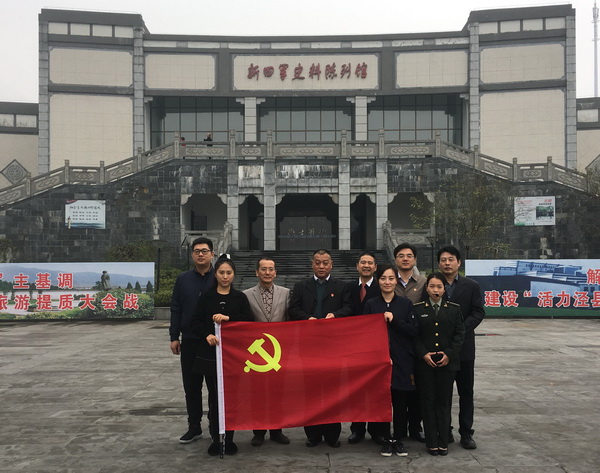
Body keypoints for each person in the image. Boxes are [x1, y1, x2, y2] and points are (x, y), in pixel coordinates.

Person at [289, 249, 353, 448]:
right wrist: (307, 318)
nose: (321, 266)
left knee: (334, 390)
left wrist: (335, 315)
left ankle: (333, 434)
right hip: (308, 346)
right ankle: (313, 434)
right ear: (312, 264)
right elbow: (293, 309)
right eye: (318, 262)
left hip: (333, 347)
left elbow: (349, 308)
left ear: (331, 264)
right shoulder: (301, 286)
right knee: (311, 391)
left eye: (325, 263)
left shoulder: (341, 286)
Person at [192, 257, 253, 456]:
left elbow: (248, 321)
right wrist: (207, 334)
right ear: (216, 274)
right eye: (221, 273)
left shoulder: (240, 298)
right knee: (215, 397)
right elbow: (196, 321)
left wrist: (229, 319)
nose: (225, 276)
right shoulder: (206, 297)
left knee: (231, 397)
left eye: (229, 273)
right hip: (211, 355)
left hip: (234, 357)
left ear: (233, 275)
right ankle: (216, 438)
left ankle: (229, 438)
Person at [364, 264, 418, 457]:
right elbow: (365, 333)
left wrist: (395, 320)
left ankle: (399, 439)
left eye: (391, 278)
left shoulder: (405, 304)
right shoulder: (371, 304)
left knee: (400, 402)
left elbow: (413, 330)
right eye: (383, 278)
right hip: (379, 361)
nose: (387, 282)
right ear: (378, 281)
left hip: (402, 359)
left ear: (396, 281)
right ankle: (385, 438)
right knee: (382, 401)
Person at [438, 245, 485, 449]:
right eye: (443, 260)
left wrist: (460, 329)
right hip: (441, 348)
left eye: (451, 259)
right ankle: (445, 430)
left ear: (459, 262)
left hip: (464, 348)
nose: (447, 263)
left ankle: (466, 432)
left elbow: (478, 312)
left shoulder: (471, 285)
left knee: (466, 392)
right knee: (443, 393)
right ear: (439, 263)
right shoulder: (434, 284)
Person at [169, 237, 215, 444]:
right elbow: (176, 308)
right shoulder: (183, 279)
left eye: (204, 251)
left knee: (214, 387)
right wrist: (174, 336)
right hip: (189, 340)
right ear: (192, 255)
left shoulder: (220, 277)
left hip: (213, 342)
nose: (201, 254)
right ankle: (194, 426)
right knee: (192, 386)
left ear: (212, 254)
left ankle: (215, 425)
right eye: (197, 251)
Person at [413, 272, 465, 456]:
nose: (435, 290)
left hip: (446, 364)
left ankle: (443, 441)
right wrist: (423, 354)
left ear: (444, 289)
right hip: (425, 363)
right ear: (426, 288)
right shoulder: (418, 309)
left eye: (439, 287)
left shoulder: (454, 309)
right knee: (427, 401)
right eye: (432, 286)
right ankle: (431, 442)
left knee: (444, 401)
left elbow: (459, 334)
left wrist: (449, 354)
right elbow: (414, 336)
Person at [243, 257, 291, 447]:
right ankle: (259, 431)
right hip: (257, 353)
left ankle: (277, 430)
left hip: (279, 352)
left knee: (278, 393)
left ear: (275, 273)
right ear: (257, 272)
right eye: (263, 269)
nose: (267, 272)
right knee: (258, 393)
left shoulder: (286, 293)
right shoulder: (246, 295)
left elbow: (289, 320)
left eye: (271, 269)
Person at [346, 251, 385, 445]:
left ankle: (377, 430)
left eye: (370, 263)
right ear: (357, 266)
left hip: (375, 345)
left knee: (377, 389)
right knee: (357, 389)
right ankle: (357, 429)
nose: (366, 266)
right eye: (363, 262)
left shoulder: (381, 287)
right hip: (353, 346)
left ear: (375, 267)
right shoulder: (348, 288)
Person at [393, 242, 427, 442]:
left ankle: (415, 426)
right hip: (395, 342)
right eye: (401, 256)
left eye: (409, 256)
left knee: (418, 387)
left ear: (415, 259)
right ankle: (398, 427)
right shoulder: (388, 280)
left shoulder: (424, 283)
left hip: (417, 340)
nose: (405, 259)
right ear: (395, 259)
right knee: (397, 387)